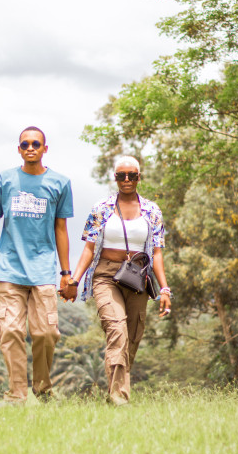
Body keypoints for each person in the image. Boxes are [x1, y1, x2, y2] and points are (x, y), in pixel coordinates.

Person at [61, 156, 171, 405]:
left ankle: (115, 390)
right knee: (117, 330)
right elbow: (89, 249)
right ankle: (119, 398)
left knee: (132, 336)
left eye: (132, 175)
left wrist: (164, 288)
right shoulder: (102, 208)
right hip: (106, 275)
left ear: (139, 177)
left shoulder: (152, 211)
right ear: (115, 178)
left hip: (137, 276)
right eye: (121, 176)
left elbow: (157, 253)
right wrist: (75, 281)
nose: (127, 180)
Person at [0, 126, 74, 404]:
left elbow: (61, 229)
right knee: (10, 331)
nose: (30, 148)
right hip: (9, 269)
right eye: (25, 144)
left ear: (45, 149)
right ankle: (16, 394)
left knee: (46, 332)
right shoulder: (3, 180)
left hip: (43, 270)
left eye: (36, 144)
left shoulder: (60, 183)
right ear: (18, 149)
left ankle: (42, 389)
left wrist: (66, 274)